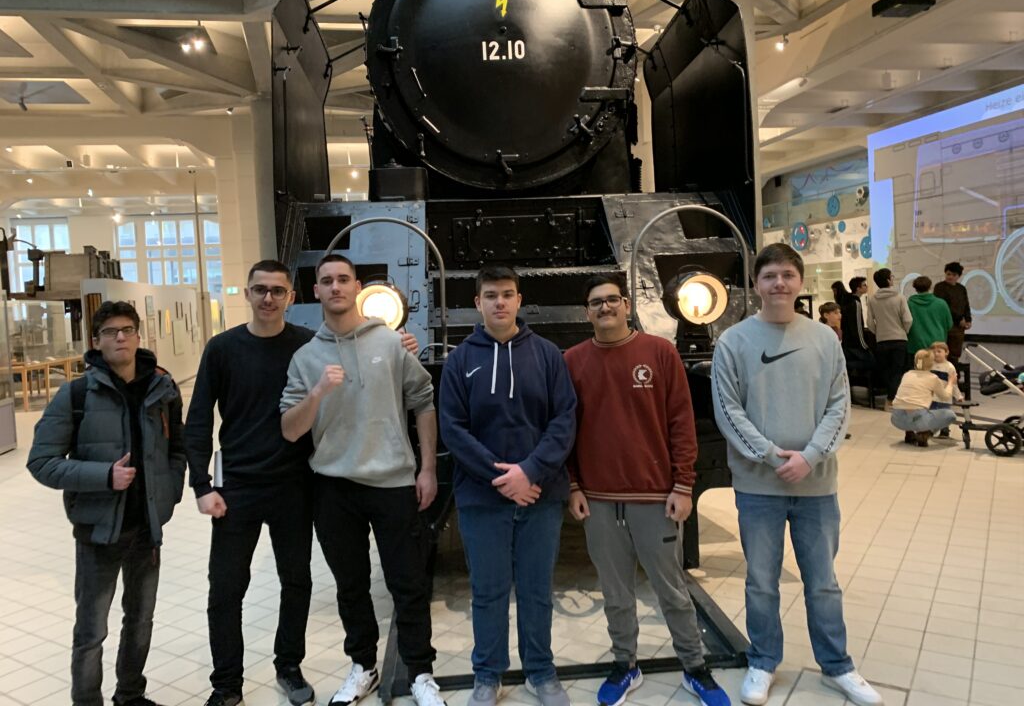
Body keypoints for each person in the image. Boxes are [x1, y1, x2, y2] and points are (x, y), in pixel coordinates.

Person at [711, 244, 882, 706]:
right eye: (769, 276)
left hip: (817, 485)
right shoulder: (733, 342)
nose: (779, 284)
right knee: (761, 582)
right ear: (756, 284)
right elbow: (728, 411)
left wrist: (810, 456)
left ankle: (838, 666)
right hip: (757, 487)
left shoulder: (824, 339)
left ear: (800, 282)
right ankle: (763, 662)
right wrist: (771, 457)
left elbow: (839, 406)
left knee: (823, 582)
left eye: (787, 274)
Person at [280, 254, 443, 706]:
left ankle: (420, 673)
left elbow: (424, 400)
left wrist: (427, 468)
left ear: (357, 288)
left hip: (392, 483)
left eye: (343, 279)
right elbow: (290, 429)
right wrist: (317, 393)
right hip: (334, 488)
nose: (335, 287)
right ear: (316, 291)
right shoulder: (305, 358)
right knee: (350, 585)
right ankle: (363, 666)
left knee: (407, 583)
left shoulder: (390, 343)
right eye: (326, 280)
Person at [564, 275, 730, 706]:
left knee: (672, 590)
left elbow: (681, 421)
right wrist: (574, 485)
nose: (605, 307)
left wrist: (683, 484)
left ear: (626, 304)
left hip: (655, 497)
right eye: (596, 302)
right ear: (587, 312)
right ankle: (626, 664)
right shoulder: (573, 361)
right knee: (615, 594)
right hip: (599, 500)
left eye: (612, 300)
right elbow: (566, 430)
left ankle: (694, 666)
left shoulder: (660, 353)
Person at [28, 300, 186, 706]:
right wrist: (103, 476)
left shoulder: (162, 389)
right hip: (99, 532)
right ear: (96, 341)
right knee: (92, 629)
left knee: (141, 620)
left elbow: (177, 449)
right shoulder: (77, 394)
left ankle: (130, 695)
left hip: (147, 529)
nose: (120, 337)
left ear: (138, 336)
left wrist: (168, 495)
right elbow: (41, 462)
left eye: (127, 330)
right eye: (111, 332)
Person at [438, 266, 577, 706]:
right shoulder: (460, 360)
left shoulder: (548, 355)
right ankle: (487, 673)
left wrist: (529, 472)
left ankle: (540, 671)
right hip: (482, 498)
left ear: (519, 300)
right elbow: (453, 429)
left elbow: (564, 421)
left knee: (537, 591)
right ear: (477, 303)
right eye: (490, 295)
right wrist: (503, 478)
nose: (499, 302)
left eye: (507, 294)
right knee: (488, 592)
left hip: (540, 495)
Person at [863, 268, 913, 410]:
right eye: (892, 276)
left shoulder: (872, 299)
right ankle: (891, 399)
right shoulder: (900, 297)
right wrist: (904, 331)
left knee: (886, 370)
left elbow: (870, 322)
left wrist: (878, 333)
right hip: (899, 339)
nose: (893, 278)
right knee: (898, 371)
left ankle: (891, 398)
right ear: (888, 280)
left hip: (882, 341)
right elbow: (908, 319)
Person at [890, 349, 957, 447]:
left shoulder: (907, 374)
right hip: (918, 419)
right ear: (932, 363)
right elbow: (945, 397)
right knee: (950, 415)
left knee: (910, 405)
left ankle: (909, 432)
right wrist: (951, 382)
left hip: (896, 418)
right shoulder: (932, 378)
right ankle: (924, 434)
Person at [933, 262, 972, 364]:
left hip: (959, 328)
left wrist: (968, 319)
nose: (950, 277)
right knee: (942, 352)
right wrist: (959, 319)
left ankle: (953, 372)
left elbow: (966, 304)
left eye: (954, 275)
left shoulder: (961, 288)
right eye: (948, 274)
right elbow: (944, 307)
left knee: (955, 354)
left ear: (959, 276)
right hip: (945, 326)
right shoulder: (939, 287)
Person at [906, 276, 952, 355]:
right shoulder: (941, 303)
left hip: (916, 345)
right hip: (938, 346)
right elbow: (949, 325)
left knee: (918, 363)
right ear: (930, 287)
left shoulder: (909, 304)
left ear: (915, 288)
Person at [839, 277, 873, 367]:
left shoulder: (848, 301)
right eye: (864, 285)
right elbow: (858, 326)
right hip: (855, 346)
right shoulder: (855, 303)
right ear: (858, 288)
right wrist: (864, 345)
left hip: (848, 344)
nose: (866, 286)